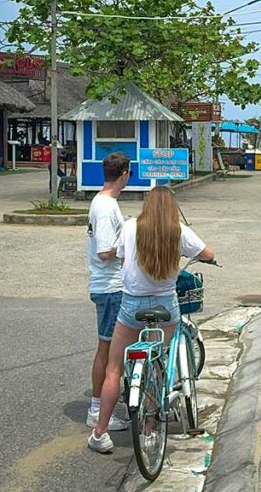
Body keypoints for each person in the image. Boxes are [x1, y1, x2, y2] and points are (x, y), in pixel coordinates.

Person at [89, 186, 214, 453]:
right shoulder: (178, 231)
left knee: (114, 369)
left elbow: (122, 259)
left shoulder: (130, 227)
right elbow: (208, 254)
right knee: (159, 361)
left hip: (131, 305)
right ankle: (148, 428)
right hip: (166, 306)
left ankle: (100, 433)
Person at [85, 152, 131, 433]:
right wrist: (129, 244)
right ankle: (98, 410)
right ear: (124, 174)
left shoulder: (106, 203)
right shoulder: (104, 207)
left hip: (112, 285)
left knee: (113, 350)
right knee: (109, 350)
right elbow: (104, 251)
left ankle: (103, 404)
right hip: (109, 287)